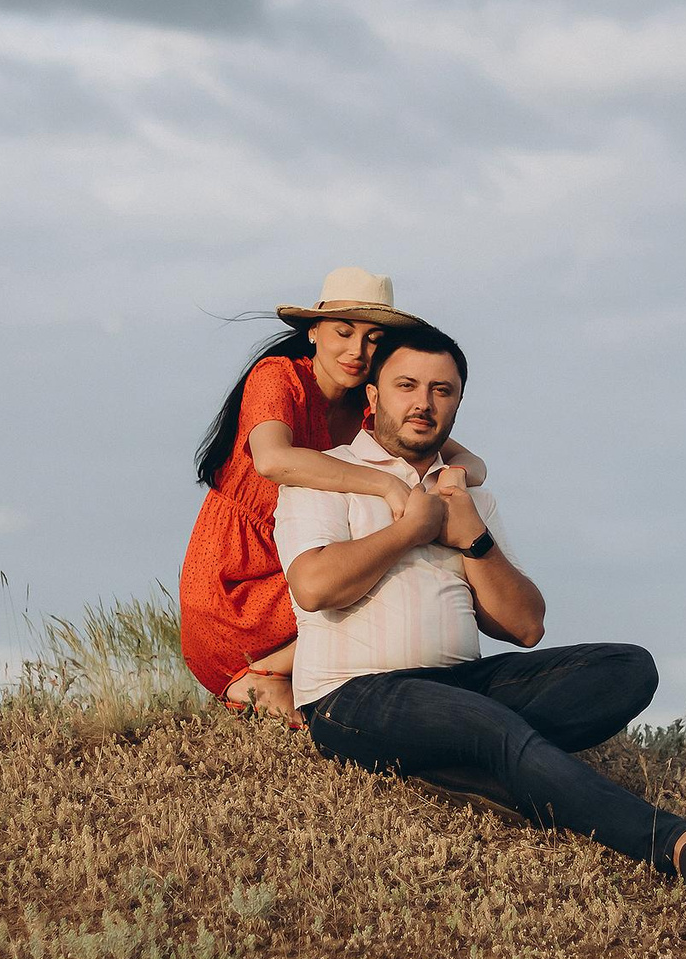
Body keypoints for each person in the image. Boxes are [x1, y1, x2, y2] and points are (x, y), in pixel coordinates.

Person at [275, 321, 686, 902]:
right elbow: (314, 586)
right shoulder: (328, 474)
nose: (423, 403)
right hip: (353, 695)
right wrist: (410, 530)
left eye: (442, 391)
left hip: (460, 686)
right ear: (372, 397)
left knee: (629, 668)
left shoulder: (468, 495)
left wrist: (472, 537)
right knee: (490, 726)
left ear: (457, 404)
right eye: (406, 385)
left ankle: (458, 763)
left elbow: (524, 626)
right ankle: (674, 844)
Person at [179, 268, 488, 725]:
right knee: (372, 579)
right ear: (313, 332)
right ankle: (256, 675)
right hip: (239, 577)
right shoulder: (279, 376)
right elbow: (273, 460)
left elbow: (474, 465)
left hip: (299, 561)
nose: (357, 351)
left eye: (373, 339)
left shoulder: (369, 404)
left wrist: (450, 485)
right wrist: (386, 484)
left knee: (384, 587)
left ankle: (271, 680)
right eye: (344, 332)